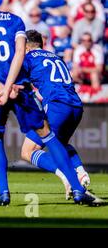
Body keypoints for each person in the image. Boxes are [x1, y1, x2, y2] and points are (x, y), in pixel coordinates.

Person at [0, 0, 100, 206]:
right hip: (19, 87)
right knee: (47, 134)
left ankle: (4, 194)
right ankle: (77, 189)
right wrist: (9, 87)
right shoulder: (15, 20)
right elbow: (18, 55)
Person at [20, 30, 94, 201]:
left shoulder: (28, 58)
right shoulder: (54, 57)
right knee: (60, 144)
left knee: (28, 151)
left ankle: (68, 177)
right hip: (76, 106)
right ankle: (80, 172)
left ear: (25, 46)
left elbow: (19, 81)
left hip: (57, 105)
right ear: (42, 44)